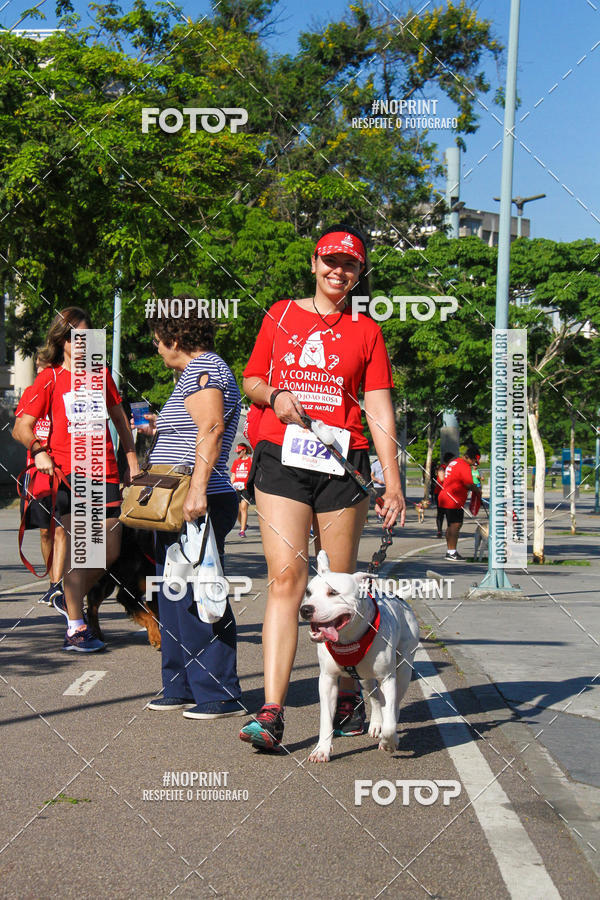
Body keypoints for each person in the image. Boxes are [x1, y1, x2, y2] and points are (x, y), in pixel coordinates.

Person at [239, 223, 406, 751]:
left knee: (338, 584)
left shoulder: (367, 330)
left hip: (344, 464)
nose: (339, 271)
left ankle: (351, 688)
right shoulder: (280, 314)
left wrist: (392, 481)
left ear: (360, 273)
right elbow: (250, 380)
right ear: (314, 263)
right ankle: (271, 711)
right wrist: (273, 395)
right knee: (287, 578)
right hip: (282, 456)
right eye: (330, 261)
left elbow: (378, 409)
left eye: (351, 264)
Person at [12, 307, 139, 651]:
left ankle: (67, 596)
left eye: (87, 335)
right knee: (82, 549)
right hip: (69, 476)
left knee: (108, 550)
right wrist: (38, 449)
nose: (82, 342)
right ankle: (76, 625)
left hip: (105, 473)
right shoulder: (49, 378)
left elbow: (120, 420)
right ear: (62, 341)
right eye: (75, 336)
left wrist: (131, 461)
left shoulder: (100, 375)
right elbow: (20, 426)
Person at [142, 308, 245, 720]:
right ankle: (181, 685)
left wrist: (198, 490)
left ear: (173, 336)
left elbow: (212, 428)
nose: (156, 347)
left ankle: (218, 693)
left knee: (201, 590)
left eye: (157, 339)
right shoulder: (195, 373)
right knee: (173, 591)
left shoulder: (205, 368)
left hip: (196, 496)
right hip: (177, 498)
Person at [15, 358, 67, 606]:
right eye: (37, 366)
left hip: (63, 470)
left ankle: (59, 585)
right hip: (37, 474)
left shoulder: (63, 388)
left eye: (44, 366)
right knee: (45, 531)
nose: (40, 371)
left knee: (61, 529)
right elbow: (19, 430)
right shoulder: (30, 394)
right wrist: (36, 449)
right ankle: (52, 582)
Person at [437, 445, 481, 561]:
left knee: (451, 525)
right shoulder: (464, 466)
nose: (473, 464)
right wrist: (477, 489)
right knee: (456, 525)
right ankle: (452, 552)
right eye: (474, 461)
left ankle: (449, 551)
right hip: (453, 499)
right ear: (470, 458)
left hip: (445, 497)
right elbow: (468, 484)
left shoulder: (455, 462)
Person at [230, 443, 252, 537]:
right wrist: (231, 485)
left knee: (243, 508)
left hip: (246, 488)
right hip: (237, 487)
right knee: (238, 510)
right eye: (237, 452)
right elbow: (233, 475)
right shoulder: (236, 462)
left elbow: (253, 475)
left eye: (239, 452)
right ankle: (244, 524)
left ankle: (242, 530)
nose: (238, 454)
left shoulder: (251, 461)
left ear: (244, 451)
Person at [434, 452, 455, 539]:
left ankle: (449, 530)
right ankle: (439, 530)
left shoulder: (451, 468)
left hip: (449, 493)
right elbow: (442, 478)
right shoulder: (442, 468)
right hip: (440, 493)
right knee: (441, 512)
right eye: (452, 460)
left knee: (449, 512)